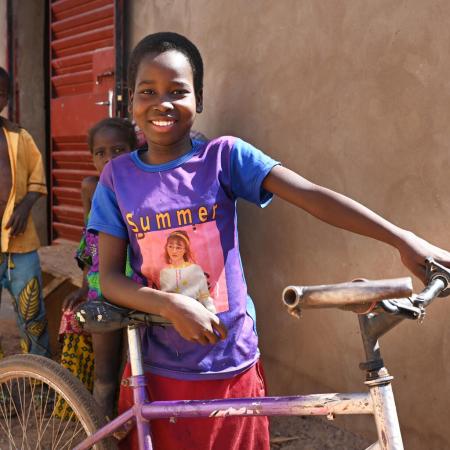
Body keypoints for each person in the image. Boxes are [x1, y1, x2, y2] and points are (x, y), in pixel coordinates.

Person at [87, 32, 450, 450]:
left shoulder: (224, 157)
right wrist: (169, 303)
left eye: (178, 91)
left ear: (199, 100)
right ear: (132, 100)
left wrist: (401, 239)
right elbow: (110, 279)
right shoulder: (118, 178)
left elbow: (313, 196)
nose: (162, 102)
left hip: (232, 365)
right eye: (148, 91)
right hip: (159, 371)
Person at [59, 117, 137, 418]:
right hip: (100, 291)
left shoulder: (141, 186)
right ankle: (100, 433)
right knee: (104, 374)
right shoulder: (91, 188)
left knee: (133, 371)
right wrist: (83, 286)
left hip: (139, 288)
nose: (108, 159)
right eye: (100, 152)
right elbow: (89, 240)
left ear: (133, 149)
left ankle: (133, 433)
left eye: (118, 150)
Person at [0, 67, 50, 360]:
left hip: (21, 245)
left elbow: (36, 179)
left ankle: (40, 377)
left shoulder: (19, 136)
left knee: (33, 316)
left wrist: (25, 207)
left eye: (1, 93)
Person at [159, 230, 216, 313]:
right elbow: (164, 298)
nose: (174, 251)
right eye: (170, 246)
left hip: (195, 313)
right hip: (171, 316)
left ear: (185, 249)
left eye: (178, 247)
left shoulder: (195, 269)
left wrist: (212, 313)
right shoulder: (164, 272)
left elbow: (204, 296)